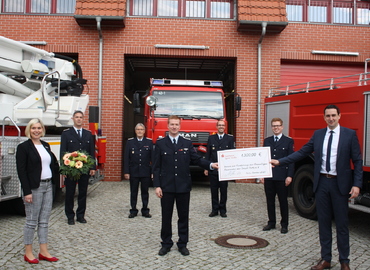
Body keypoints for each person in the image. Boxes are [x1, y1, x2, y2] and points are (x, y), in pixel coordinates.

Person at [271, 105, 362, 270]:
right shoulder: (318, 134)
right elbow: (302, 152)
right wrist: (280, 162)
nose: (331, 118)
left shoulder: (349, 135)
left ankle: (344, 261)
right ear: (324, 117)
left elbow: (357, 161)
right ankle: (326, 259)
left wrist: (357, 184)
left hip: (340, 185)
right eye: (328, 116)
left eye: (334, 115)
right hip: (321, 184)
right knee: (324, 223)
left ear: (339, 116)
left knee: (341, 224)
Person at [153, 115, 218, 256]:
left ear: (180, 126)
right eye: (172, 124)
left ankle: (182, 244)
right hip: (166, 187)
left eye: (176, 124)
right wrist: (157, 185)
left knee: (183, 216)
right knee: (166, 217)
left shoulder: (186, 143)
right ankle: (166, 243)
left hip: (183, 186)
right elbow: (156, 167)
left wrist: (211, 165)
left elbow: (197, 159)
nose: (174, 127)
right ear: (168, 126)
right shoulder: (160, 143)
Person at [16, 119, 60, 264]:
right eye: (34, 128)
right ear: (29, 130)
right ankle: (28, 252)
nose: (36, 131)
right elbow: (21, 171)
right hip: (34, 188)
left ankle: (43, 251)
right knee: (31, 221)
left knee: (44, 221)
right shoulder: (23, 147)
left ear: (42, 130)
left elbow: (53, 164)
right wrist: (27, 191)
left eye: (39, 128)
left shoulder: (46, 145)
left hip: (48, 186)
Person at [61, 110, 96, 225]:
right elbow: (63, 152)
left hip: (84, 168)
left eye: (81, 117)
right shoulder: (66, 134)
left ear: (83, 119)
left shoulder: (88, 134)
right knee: (70, 193)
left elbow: (91, 152)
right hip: (71, 169)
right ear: (73, 119)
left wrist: (92, 167)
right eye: (77, 117)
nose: (79, 119)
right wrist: (63, 169)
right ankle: (70, 216)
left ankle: (81, 215)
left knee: (82, 193)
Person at [260, 118, 294, 234]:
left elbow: (291, 160)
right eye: (274, 126)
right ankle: (271, 222)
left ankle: (284, 224)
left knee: (283, 201)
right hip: (269, 176)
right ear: (271, 127)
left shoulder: (288, 141)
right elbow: (263, 159)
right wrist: (262, 174)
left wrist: (289, 176)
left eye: (278, 126)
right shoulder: (267, 141)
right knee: (270, 201)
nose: (276, 128)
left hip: (282, 176)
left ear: (282, 127)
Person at [204, 120, 234, 218]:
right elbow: (208, 153)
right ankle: (214, 210)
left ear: (225, 127)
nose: (221, 127)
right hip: (213, 169)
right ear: (216, 127)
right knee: (214, 190)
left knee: (224, 191)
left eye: (223, 125)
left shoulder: (230, 138)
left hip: (224, 170)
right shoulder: (211, 138)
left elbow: (232, 154)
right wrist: (206, 167)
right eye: (219, 125)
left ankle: (223, 210)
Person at [124, 123, 153, 218]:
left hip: (145, 171)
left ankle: (145, 210)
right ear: (135, 131)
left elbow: (153, 159)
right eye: (138, 129)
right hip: (134, 171)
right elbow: (126, 158)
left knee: (145, 192)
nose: (140, 131)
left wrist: (152, 172)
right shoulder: (130, 142)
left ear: (144, 131)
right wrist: (126, 171)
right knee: (133, 191)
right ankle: (133, 210)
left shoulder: (149, 142)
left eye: (141, 129)